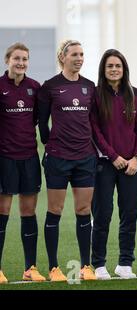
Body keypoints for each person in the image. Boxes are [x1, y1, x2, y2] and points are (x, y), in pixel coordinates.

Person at [38, 40, 97, 281]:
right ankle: (54, 267)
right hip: (59, 159)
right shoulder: (50, 86)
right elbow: (42, 123)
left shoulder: (89, 86)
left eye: (82, 54)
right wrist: (50, 145)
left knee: (84, 210)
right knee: (55, 210)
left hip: (85, 157)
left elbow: (93, 122)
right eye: (74, 54)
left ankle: (86, 266)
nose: (79, 58)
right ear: (63, 57)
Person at [90, 49, 137, 280]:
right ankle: (99, 264)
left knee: (129, 215)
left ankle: (125, 263)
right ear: (103, 70)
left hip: (132, 166)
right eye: (110, 66)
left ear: (124, 70)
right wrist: (113, 156)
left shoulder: (136, 95)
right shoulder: (95, 96)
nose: (114, 70)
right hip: (105, 164)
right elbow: (94, 130)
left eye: (118, 66)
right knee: (102, 214)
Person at [0, 43, 46, 284]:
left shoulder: (34, 88)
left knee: (28, 212)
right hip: (5, 159)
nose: (20, 63)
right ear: (7, 60)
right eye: (16, 58)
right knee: (3, 213)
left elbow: (38, 119)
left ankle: (30, 268)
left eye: (25, 59)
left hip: (29, 158)